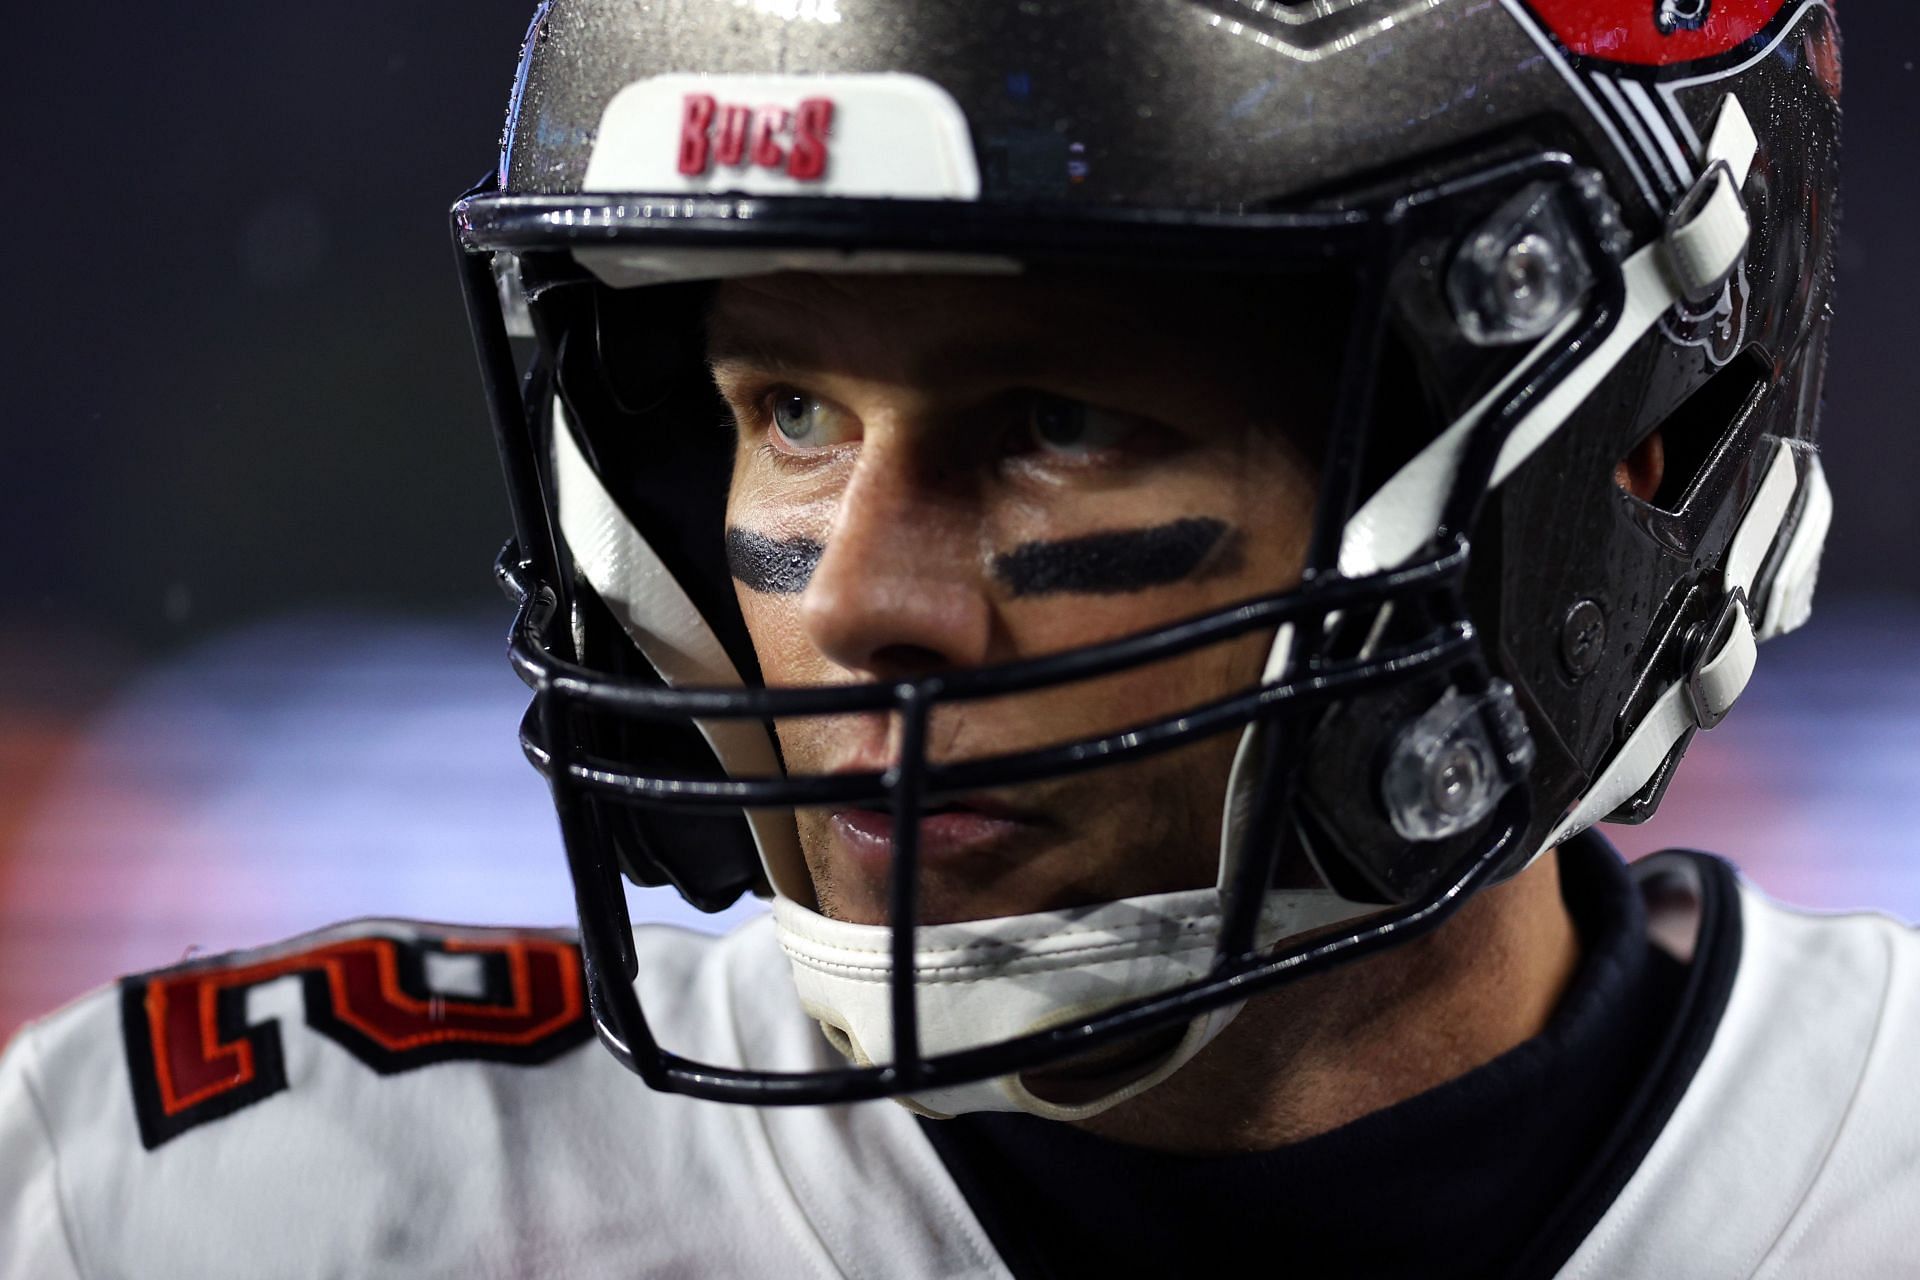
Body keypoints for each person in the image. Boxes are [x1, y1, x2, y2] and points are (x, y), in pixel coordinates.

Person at [4, 0, 1914, 1276]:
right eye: (789, 412)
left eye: (1061, 427)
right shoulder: (235, 1204)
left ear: (1614, 458)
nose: (852, 604)